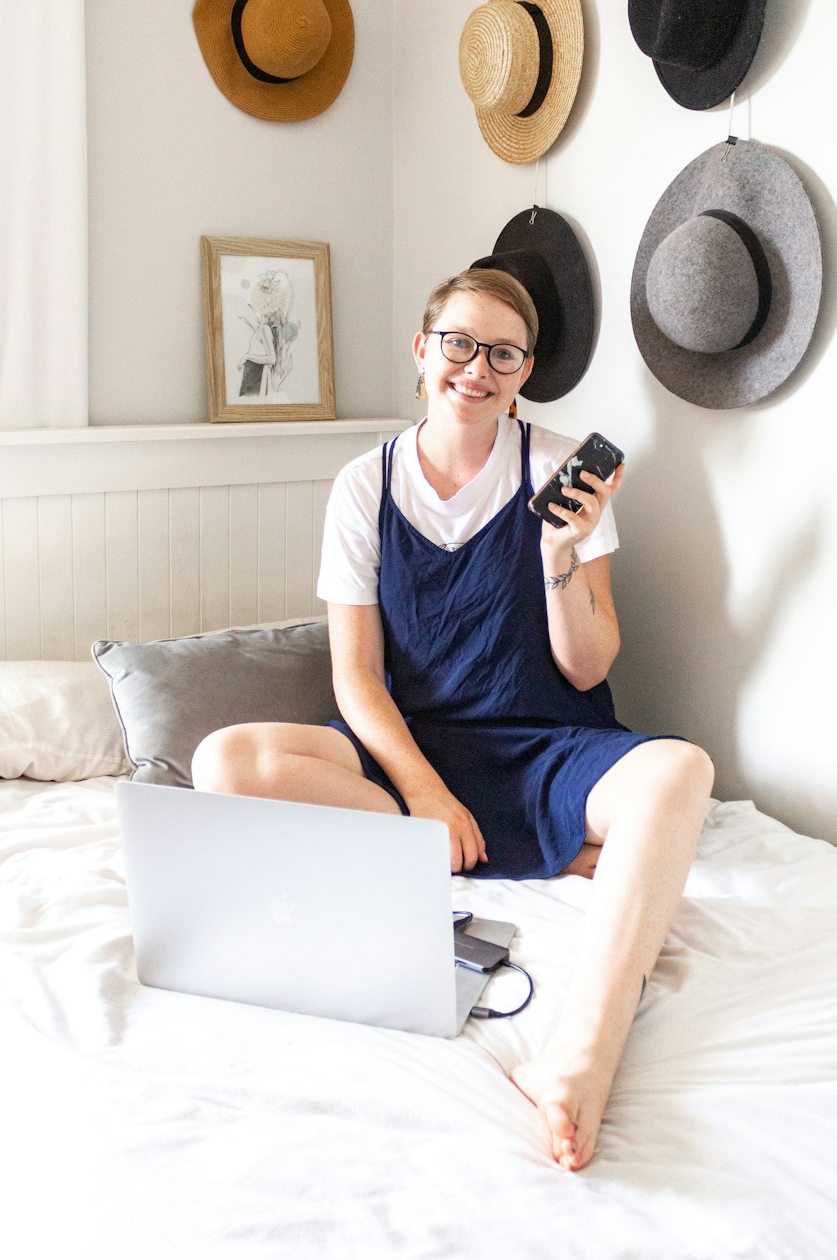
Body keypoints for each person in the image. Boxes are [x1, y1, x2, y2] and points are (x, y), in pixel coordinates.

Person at [192, 266, 713, 1172]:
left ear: (525, 370)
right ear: (421, 351)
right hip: (413, 750)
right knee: (225, 761)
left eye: (503, 354)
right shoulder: (364, 485)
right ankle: (509, 842)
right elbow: (357, 678)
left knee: (681, 771)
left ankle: (581, 1056)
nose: (477, 369)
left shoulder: (558, 468)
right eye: (459, 344)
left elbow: (589, 665)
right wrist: (426, 794)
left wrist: (558, 551)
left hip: (548, 741)